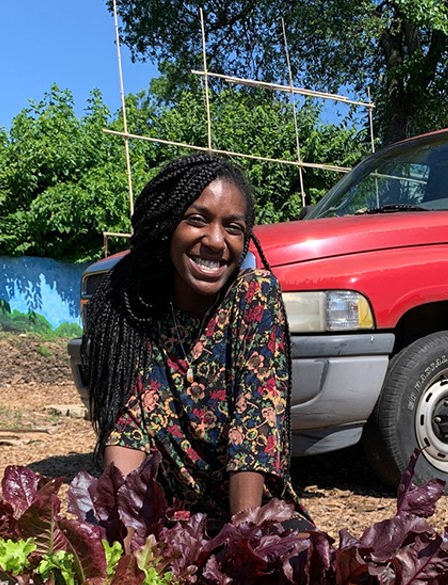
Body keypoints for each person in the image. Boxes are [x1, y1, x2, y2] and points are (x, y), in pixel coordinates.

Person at [81, 153, 306, 526]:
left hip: (249, 521)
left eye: (233, 227)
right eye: (198, 220)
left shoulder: (253, 297)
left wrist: (243, 548)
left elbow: (253, 431)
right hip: (170, 525)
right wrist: (122, 539)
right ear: (168, 225)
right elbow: (127, 436)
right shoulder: (138, 314)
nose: (216, 240)